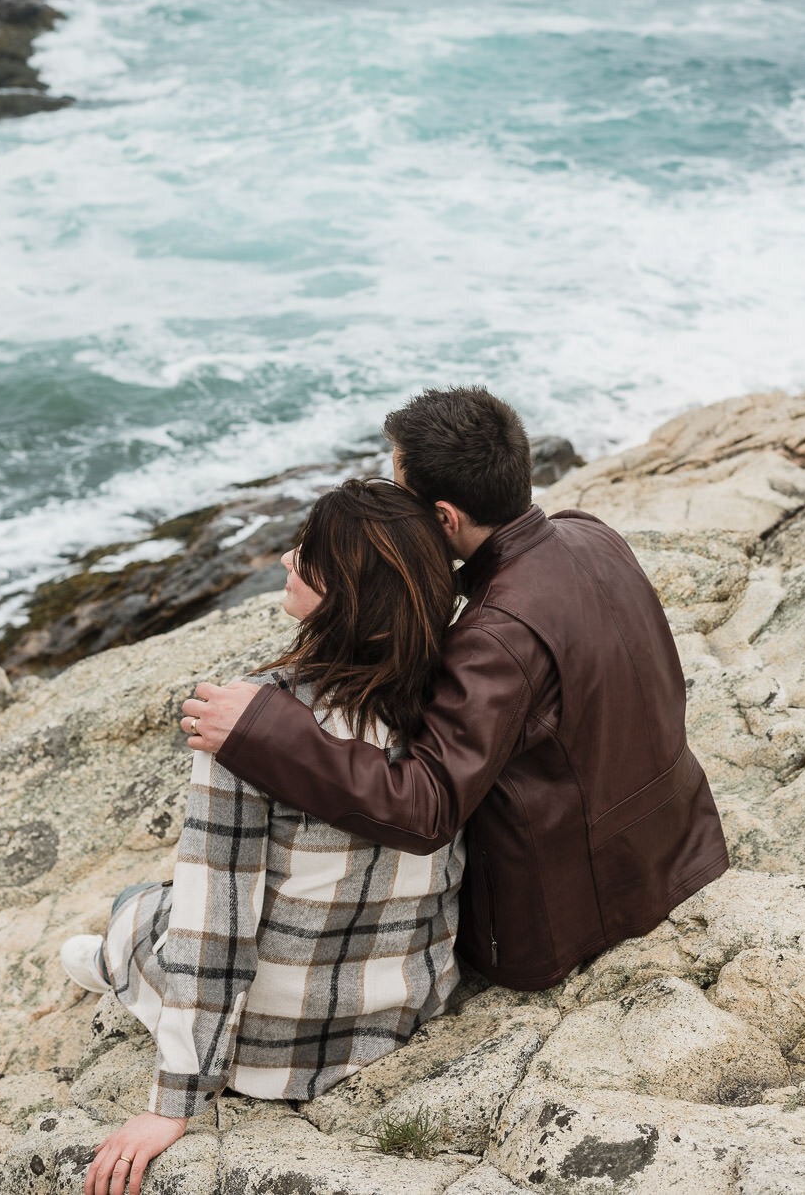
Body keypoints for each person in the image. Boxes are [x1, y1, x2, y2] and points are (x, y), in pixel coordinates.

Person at [185, 385, 729, 994]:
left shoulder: (493, 635)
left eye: (402, 494)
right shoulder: (589, 533)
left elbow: (425, 806)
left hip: (567, 917)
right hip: (677, 844)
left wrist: (266, 728)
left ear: (443, 519)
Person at [62, 479, 464, 1195]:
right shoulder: (452, 700)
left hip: (278, 1043)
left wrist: (173, 1103)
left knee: (149, 907)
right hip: (397, 1008)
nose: (285, 558)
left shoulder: (249, 718)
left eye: (306, 555)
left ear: (343, 590)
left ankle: (114, 965)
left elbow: (218, 925)